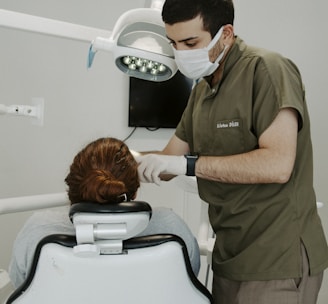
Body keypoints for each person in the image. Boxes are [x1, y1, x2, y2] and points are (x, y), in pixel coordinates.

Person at [135, 0, 328, 303]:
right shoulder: (201, 92)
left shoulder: (267, 70)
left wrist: (187, 164)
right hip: (229, 257)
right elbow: (170, 158)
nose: (181, 54)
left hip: (276, 258)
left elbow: (277, 165)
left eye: (191, 42)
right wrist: (125, 159)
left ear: (225, 34)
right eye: (174, 43)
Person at [8, 137, 200, 288]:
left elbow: (23, 289)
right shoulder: (171, 228)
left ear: (72, 190)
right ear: (134, 191)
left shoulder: (38, 230)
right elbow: (188, 283)